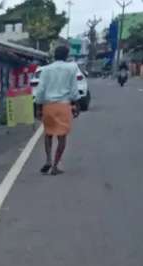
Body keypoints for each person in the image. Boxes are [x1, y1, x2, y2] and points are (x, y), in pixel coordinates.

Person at [34, 45, 80, 176]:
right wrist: (77, 105)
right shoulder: (71, 69)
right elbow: (74, 90)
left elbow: (41, 89)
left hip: (49, 106)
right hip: (64, 106)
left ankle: (48, 159)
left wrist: (38, 107)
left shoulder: (46, 70)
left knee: (48, 134)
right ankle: (55, 165)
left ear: (54, 55)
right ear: (66, 56)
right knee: (62, 137)